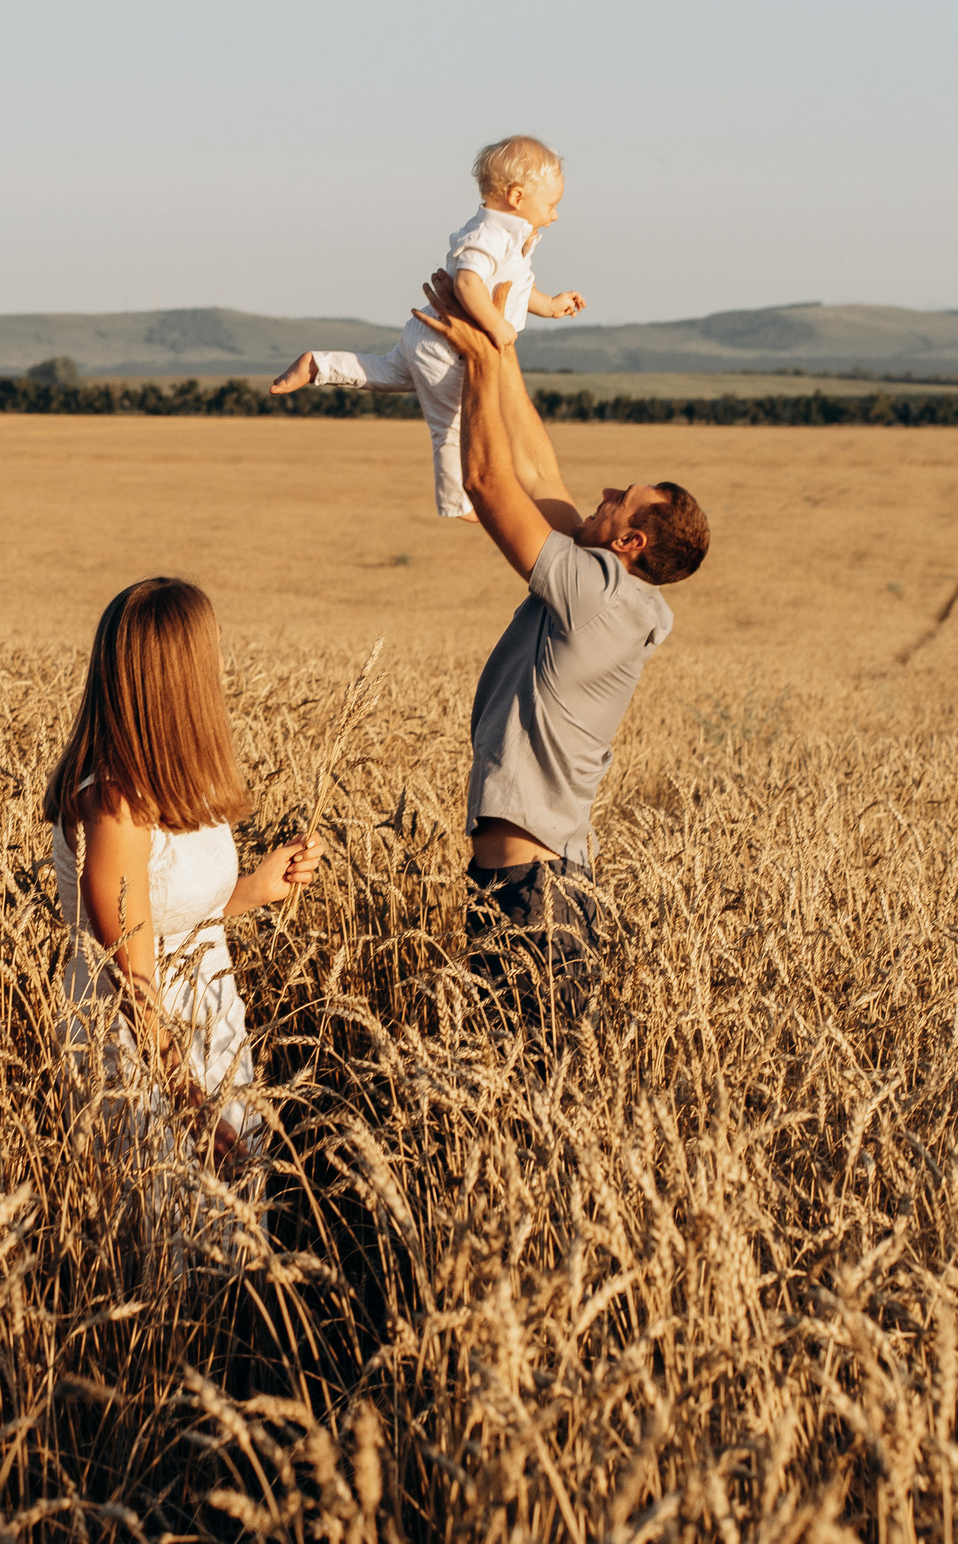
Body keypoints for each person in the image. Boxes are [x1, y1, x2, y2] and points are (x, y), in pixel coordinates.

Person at [410, 271, 709, 1037]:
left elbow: (489, 481)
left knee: (527, 1083)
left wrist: (480, 361)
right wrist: (503, 340)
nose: (600, 491)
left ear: (630, 540)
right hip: (527, 882)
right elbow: (539, 470)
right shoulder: (605, 585)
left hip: (534, 894)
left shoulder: (597, 593)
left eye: (618, 498)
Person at [42, 577, 326, 1203]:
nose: (222, 662)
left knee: (232, 1222)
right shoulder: (114, 805)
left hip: (210, 1025)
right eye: (211, 649)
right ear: (178, 677)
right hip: (143, 1056)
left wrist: (258, 888)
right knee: (169, 1229)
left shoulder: (180, 785)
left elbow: (175, 912)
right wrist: (188, 1104)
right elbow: (132, 979)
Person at [269, 136, 589, 520]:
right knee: (451, 424)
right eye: (551, 205)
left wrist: (550, 305)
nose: (555, 215)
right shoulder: (489, 235)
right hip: (445, 348)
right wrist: (497, 327)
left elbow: (514, 286)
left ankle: (319, 365)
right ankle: (457, 501)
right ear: (517, 197)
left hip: (429, 336)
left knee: (385, 371)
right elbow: (467, 283)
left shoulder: (508, 237)